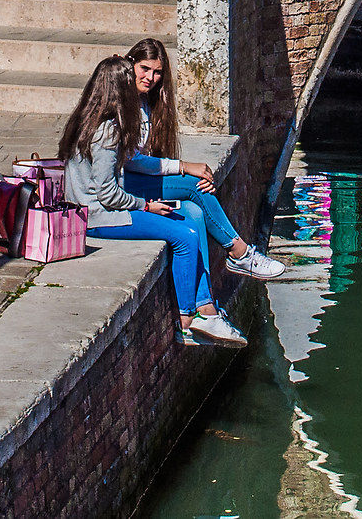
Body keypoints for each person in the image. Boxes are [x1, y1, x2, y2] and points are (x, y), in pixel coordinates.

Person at [60, 54, 247, 347]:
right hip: (99, 217)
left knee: (189, 217)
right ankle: (188, 321)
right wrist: (147, 206)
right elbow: (107, 194)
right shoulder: (108, 130)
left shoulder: (83, 117)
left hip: (92, 210)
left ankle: (203, 310)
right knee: (183, 237)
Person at [124, 37, 286, 281]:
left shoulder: (148, 102)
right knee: (193, 185)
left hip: (138, 179)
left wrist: (188, 172)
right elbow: (131, 160)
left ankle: (204, 306)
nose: (150, 77)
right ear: (131, 65)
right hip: (121, 184)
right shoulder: (122, 103)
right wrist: (184, 167)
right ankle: (239, 252)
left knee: (195, 213)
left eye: (157, 72)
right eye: (144, 69)